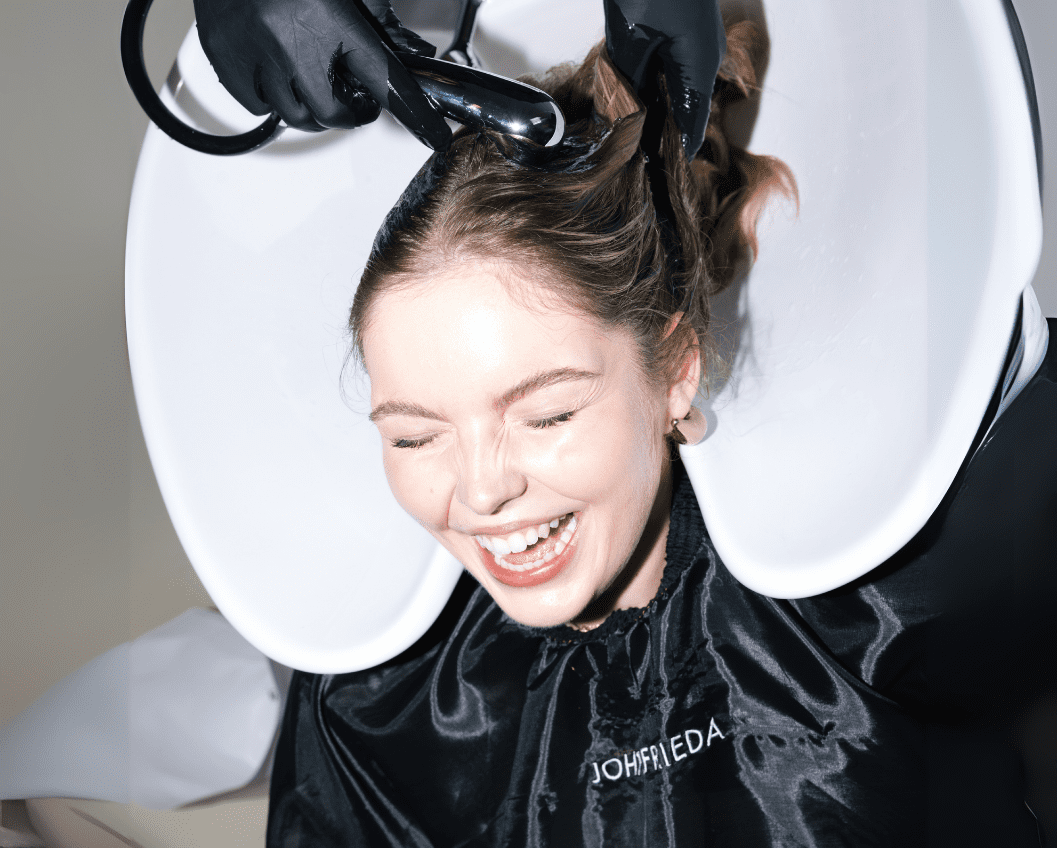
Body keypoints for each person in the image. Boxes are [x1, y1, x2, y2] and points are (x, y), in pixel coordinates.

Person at [248, 11, 1057, 848]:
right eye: (414, 437)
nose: (482, 490)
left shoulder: (890, 585)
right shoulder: (375, 706)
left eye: (547, 413)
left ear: (673, 371)